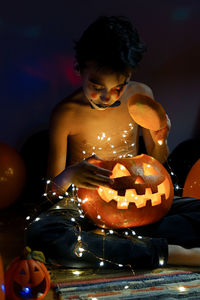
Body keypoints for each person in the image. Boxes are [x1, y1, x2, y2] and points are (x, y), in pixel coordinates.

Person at [25, 16, 200, 270]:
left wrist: (161, 139)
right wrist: (71, 174)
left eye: (119, 86)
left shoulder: (141, 97)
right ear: (79, 68)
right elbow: (51, 193)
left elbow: (159, 164)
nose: (108, 96)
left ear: (130, 75)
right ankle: (174, 253)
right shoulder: (65, 114)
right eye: (97, 85)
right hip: (84, 211)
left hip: (138, 207)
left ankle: (115, 245)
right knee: (44, 235)